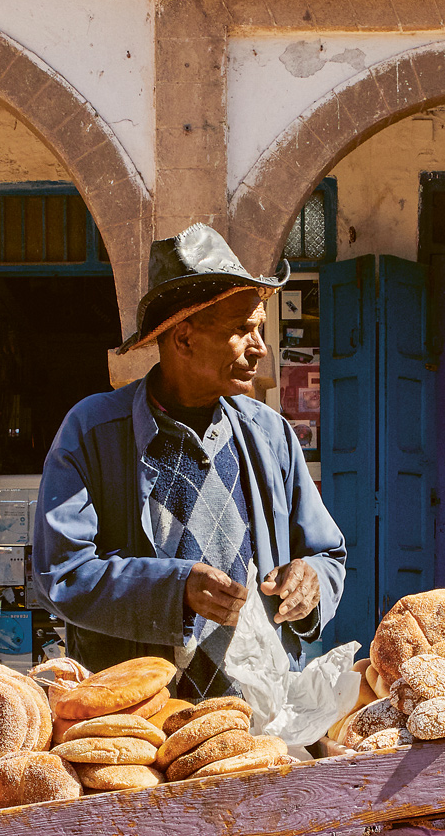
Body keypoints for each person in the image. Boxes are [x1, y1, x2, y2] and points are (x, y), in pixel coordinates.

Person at [32, 224, 347, 696]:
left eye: (259, 328)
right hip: (138, 717)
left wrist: (311, 582)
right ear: (183, 339)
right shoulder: (93, 431)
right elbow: (62, 574)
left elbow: (327, 554)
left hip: (254, 714)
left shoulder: (270, 433)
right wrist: (175, 589)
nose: (261, 348)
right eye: (242, 329)